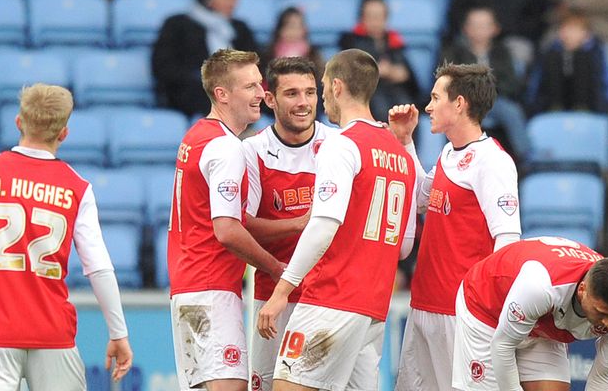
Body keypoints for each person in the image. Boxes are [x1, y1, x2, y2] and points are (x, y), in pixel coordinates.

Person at [0, 83, 133, 390]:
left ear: (18, 122)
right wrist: (118, 333)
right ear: (64, 133)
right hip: (53, 334)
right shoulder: (77, 188)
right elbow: (99, 267)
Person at [257, 49, 422, 390]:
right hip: (374, 306)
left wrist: (282, 291)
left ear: (335, 87)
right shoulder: (399, 151)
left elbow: (324, 223)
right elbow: (404, 245)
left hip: (331, 299)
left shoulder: (341, 144)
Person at [394, 63, 521, 391]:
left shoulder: (492, 162)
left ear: (460, 103)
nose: (428, 106)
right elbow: (423, 199)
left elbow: (507, 239)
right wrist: (406, 140)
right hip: (424, 303)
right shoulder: (449, 153)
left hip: (461, 313)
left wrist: (485, 308)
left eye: (436, 98)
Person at [167, 49, 285, 391]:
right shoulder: (226, 147)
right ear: (222, 94)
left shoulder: (196, 136)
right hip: (211, 288)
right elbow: (227, 230)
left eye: (260, 84)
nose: (261, 93)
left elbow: (230, 218)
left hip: (191, 286)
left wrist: (295, 225)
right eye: (250, 86)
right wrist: (275, 268)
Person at [242, 56, 333, 391]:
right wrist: (302, 224)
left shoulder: (337, 145)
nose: (304, 103)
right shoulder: (254, 150)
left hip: (325, 293)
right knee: (264, 385)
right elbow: (245, 225)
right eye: (292, 93)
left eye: (310, 92)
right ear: (270, 99)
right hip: (271, 291)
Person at [453, 237, 608, 390]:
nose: (607, 323)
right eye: (601, 312)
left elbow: (603, 375)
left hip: (541, 318)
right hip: (487, 304)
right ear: (583, 290)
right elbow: (502, 346)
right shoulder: (541, 286)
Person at [152, 0, 259, 118]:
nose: (234, 2)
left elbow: (256, 63)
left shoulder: (240, 28)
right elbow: (164, 67)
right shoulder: (177, 25)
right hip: (191, 97)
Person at [442, 7, 530, 161]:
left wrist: (488, 88)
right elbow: (447, 79)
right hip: (464, 102)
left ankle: (525, 156)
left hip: (495, 100)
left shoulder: (502, 53)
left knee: (512, 112)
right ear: (466, 29)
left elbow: (511, 83)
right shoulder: (455, 52)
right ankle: (453, 157)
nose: (479, 30)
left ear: (495, 29)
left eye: (484, 25)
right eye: (475, 25)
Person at [449, 0, 547, 70]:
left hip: (514, 38)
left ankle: (512, 86)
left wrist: (504, 28)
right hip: (475, 37)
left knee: (521, 52)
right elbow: (458, 13)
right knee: (457, 53)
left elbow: (537, 18)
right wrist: (476, 29)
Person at [339, 0, 421, 120]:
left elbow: (409, 77)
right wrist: (376, 71)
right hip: (369, 98)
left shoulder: (395, 42)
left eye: (379, 16)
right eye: (371, 16)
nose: (375, 21)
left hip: (396, 94)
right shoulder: (351, 41)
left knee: (408, 110)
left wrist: (397, 73)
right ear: (362, 17)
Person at [525, 11, 608, 116]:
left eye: (575, 30)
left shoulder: (595, 53)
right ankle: (555, 107)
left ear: (586, 34)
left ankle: (581, 107)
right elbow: (537, 81)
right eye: (566, 29)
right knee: (553, 58)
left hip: (589, 103)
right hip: (555, 101)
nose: (569, 34)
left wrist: (605, 104)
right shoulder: (550, 53)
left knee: (582, 58)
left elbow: (605, 82)